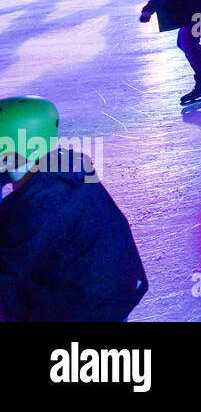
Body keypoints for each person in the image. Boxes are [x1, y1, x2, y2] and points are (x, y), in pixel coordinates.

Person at [0, 97, 149, 322]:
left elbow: (8, 276)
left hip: (87, 308)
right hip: (116, 283)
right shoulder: (66, 163)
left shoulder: (41, 206)